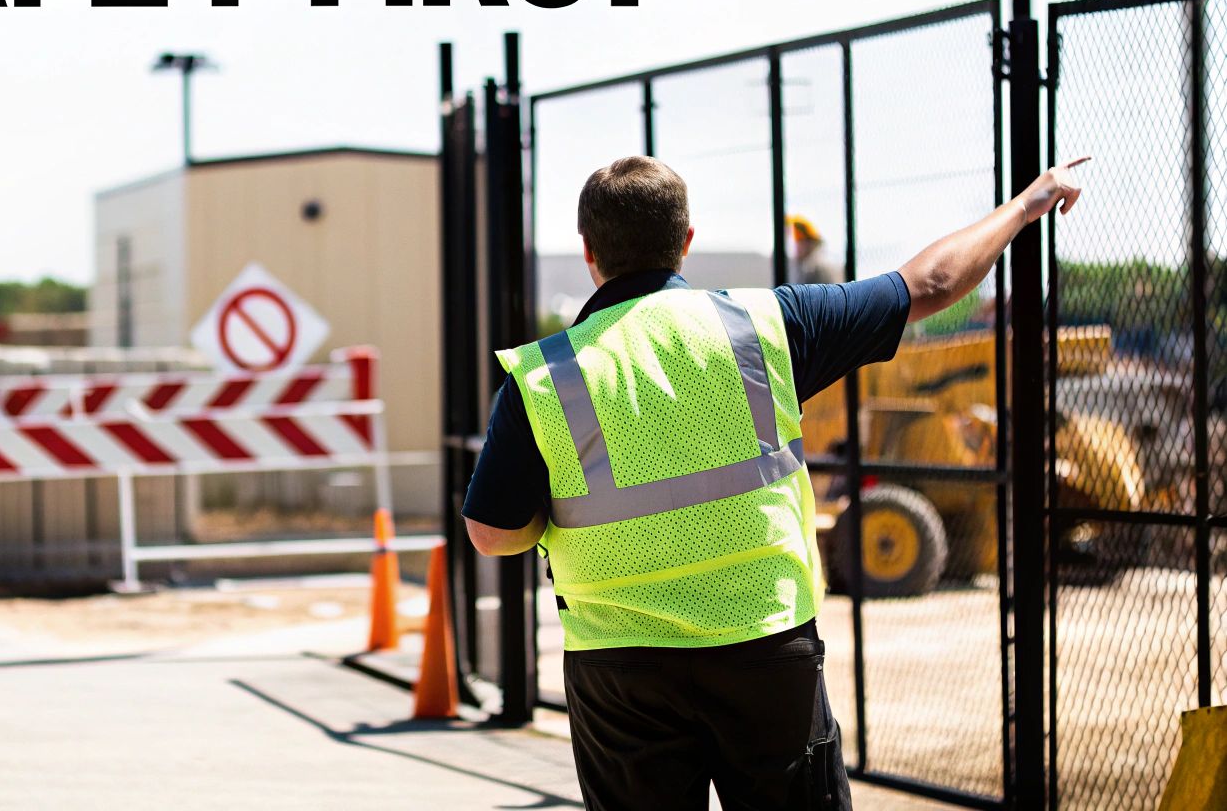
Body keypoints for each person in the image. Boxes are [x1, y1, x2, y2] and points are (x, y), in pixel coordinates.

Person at [462, 154, 1087, 811]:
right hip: (766, 650)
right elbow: (929, 282)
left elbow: (491, 534)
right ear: (685, 242)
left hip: (619, 666)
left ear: (589, 251)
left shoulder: (545, 378)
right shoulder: (763, 331)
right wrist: (1027, 203)